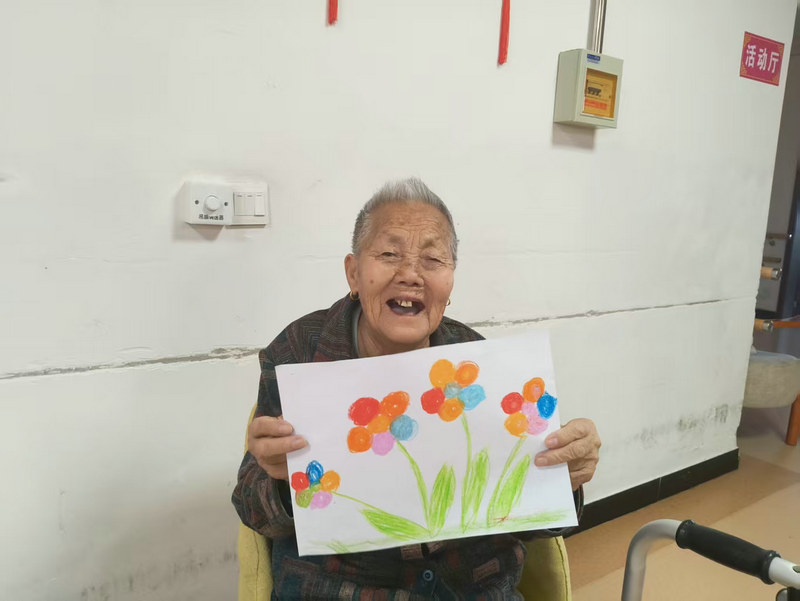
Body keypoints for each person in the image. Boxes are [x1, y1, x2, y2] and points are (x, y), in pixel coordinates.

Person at [232, 178, 601, 600]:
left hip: (471, 588)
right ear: (354, 273)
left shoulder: (477, 367)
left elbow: (535, 517)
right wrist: (283, 480)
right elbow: (252, 508)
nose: (410, 274)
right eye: (389, 254)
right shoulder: (298, 352)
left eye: (432, 259)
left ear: (451, 281)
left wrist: (567, 475)